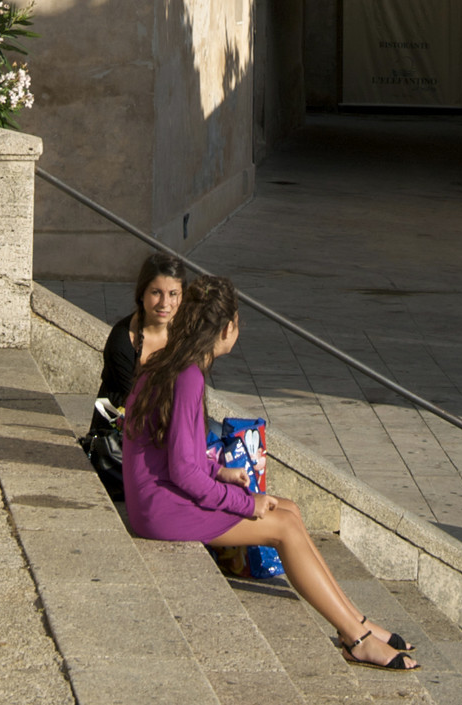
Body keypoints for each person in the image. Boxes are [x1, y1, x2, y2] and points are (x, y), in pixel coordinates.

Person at [122, 275, 417, 673]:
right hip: (162, 508)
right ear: (226, 329)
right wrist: (244, 502)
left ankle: (357, 621)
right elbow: (181, 471)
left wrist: (221, 472)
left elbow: (178, 453)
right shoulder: (187, 375)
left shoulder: (172, 364)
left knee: (290, 510)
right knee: (284, 528)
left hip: (158, 497)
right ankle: (356, 638)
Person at [83, 251, 187, 497]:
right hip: (118, 443)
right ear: (141, 293)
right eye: (156, 292)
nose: (165, 303)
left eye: (173, 294)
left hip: (164, 433)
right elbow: (139, 408)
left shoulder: (184, 336)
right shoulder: (122, 339)